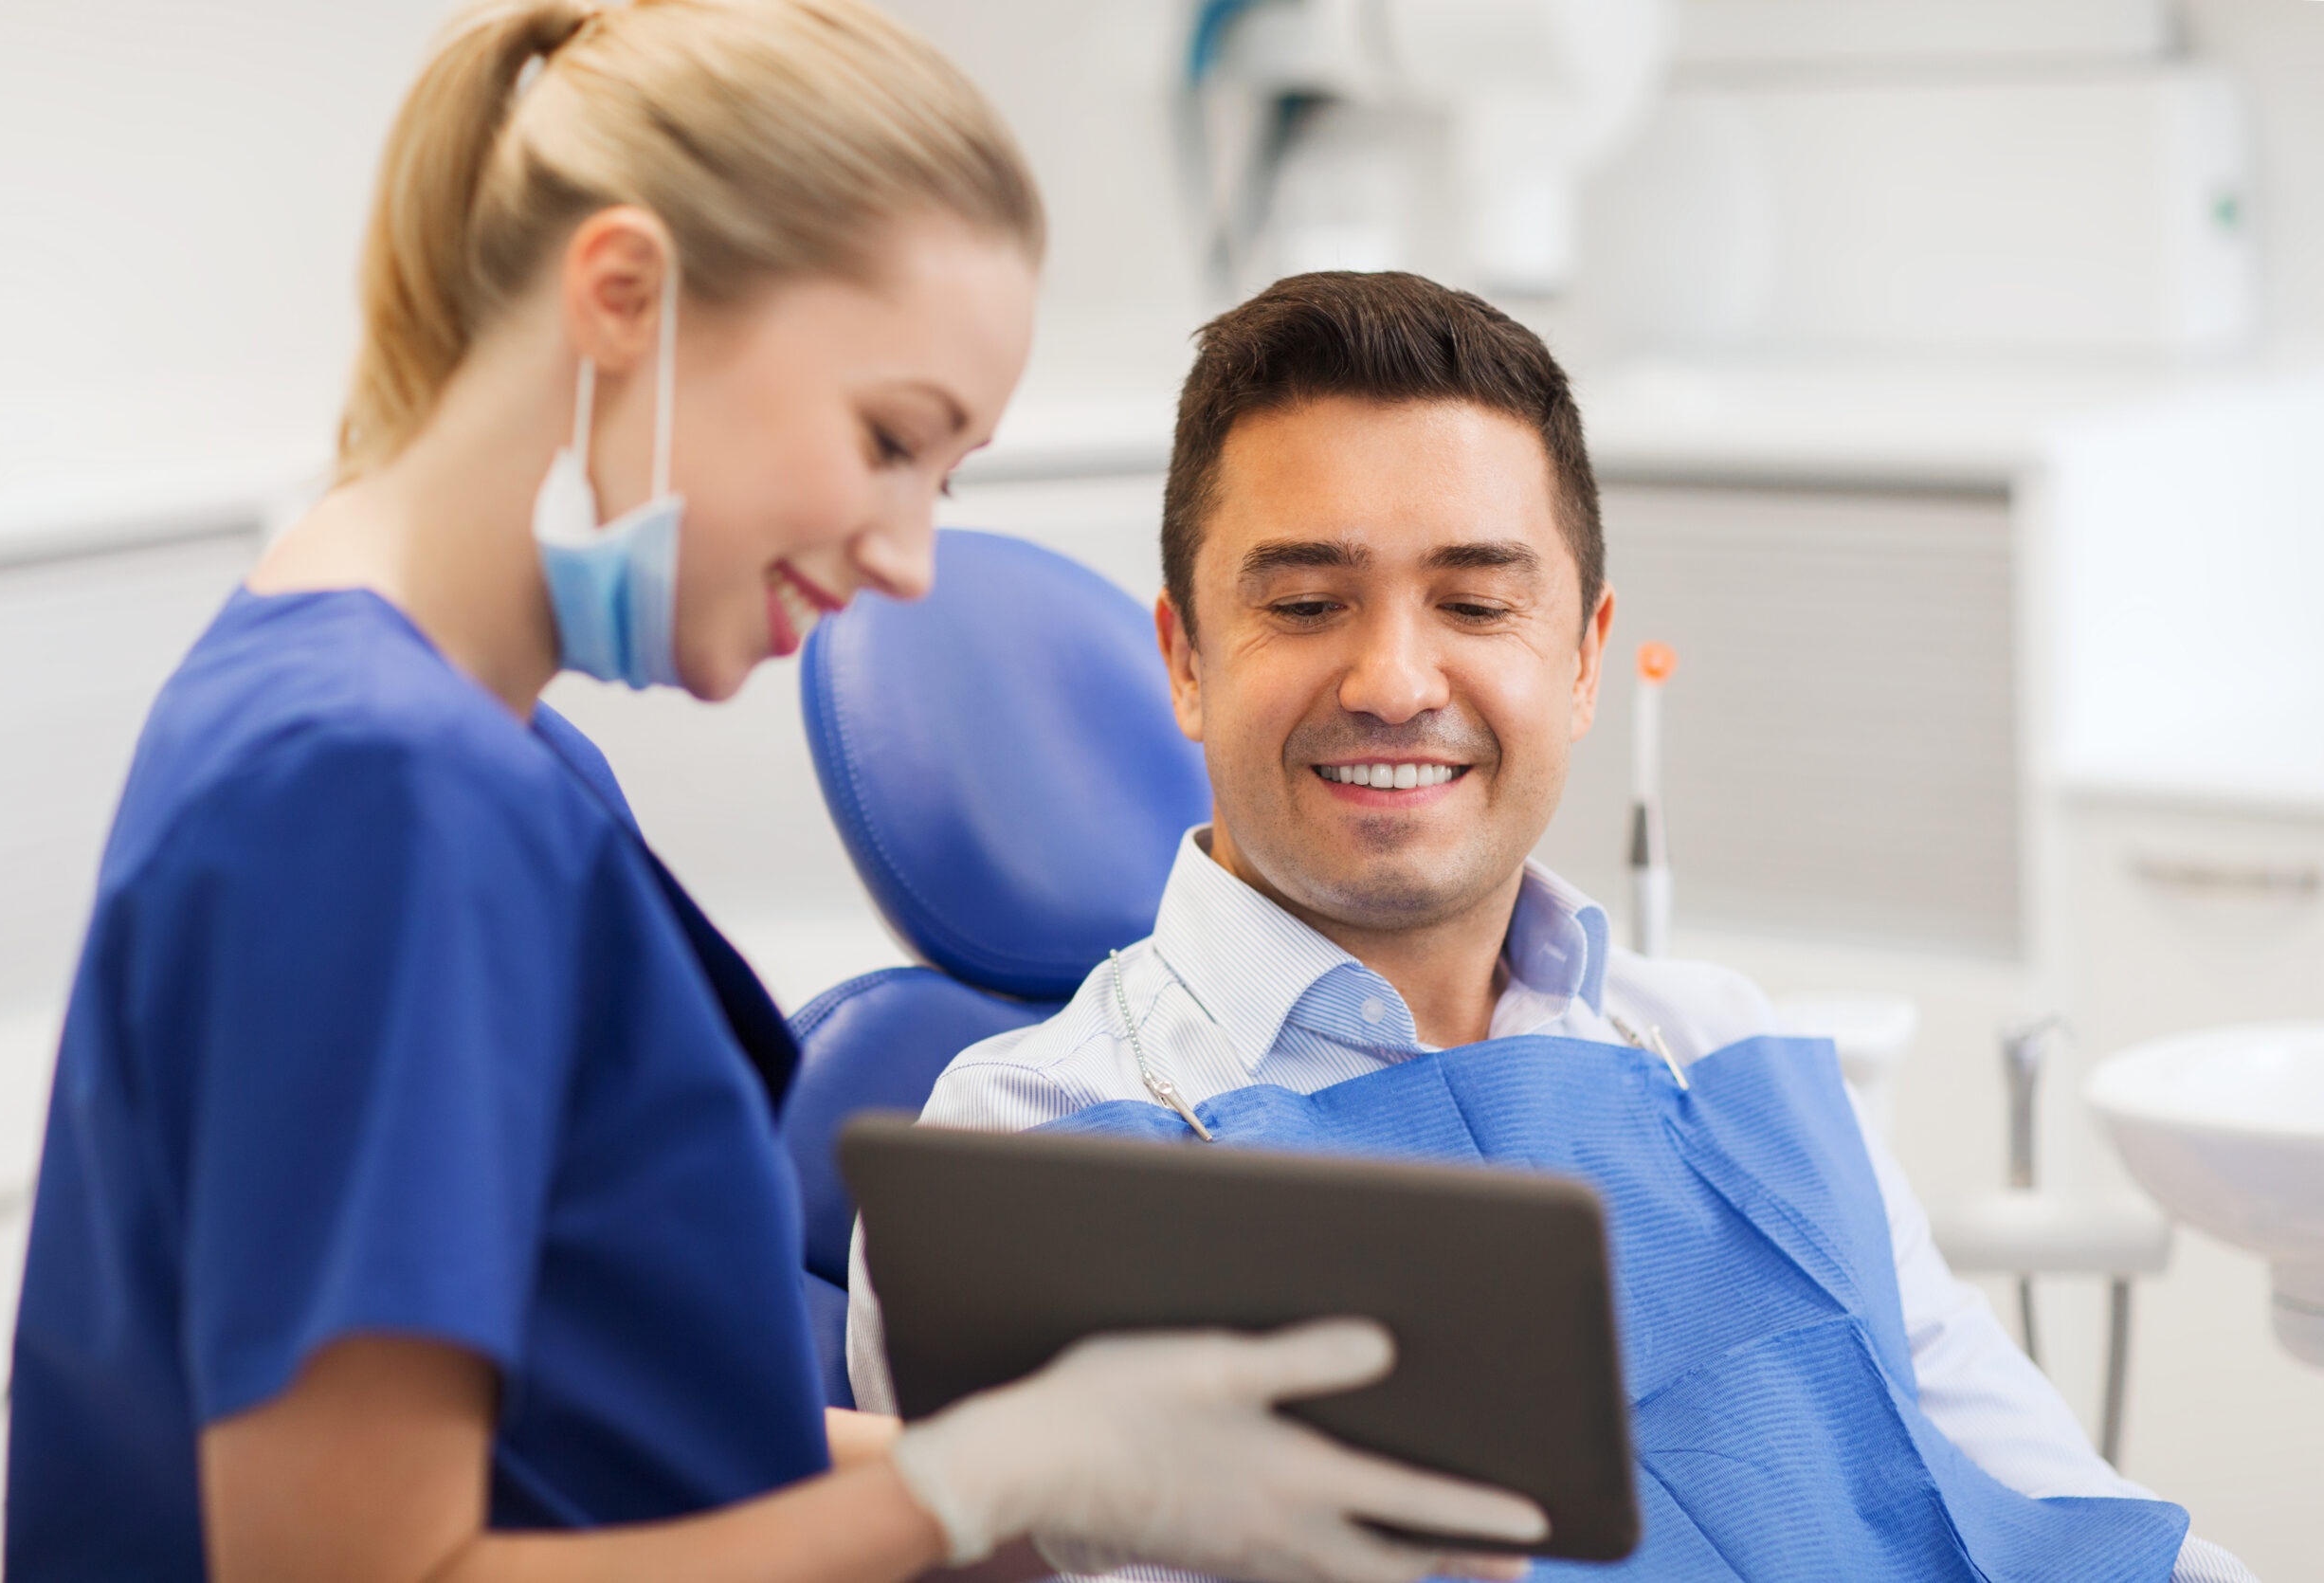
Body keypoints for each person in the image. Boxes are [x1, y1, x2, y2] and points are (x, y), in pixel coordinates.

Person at [4, 9, 1558, 1581]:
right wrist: (961, 1484)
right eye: (889, 438)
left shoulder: (462, 745)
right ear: (624, 298)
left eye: (938, 479)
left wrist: (1111, 1471)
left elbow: (588, 1434)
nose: (903, 558)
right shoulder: (381, 789)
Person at [844, 271, 2260, 1583]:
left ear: (1582, 659)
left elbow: (2034, 1497)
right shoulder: (1023, 1149)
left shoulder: (1730, 1050)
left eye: (1473, 600)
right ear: (1186, 661)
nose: (1396, 678)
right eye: (1305, 602)